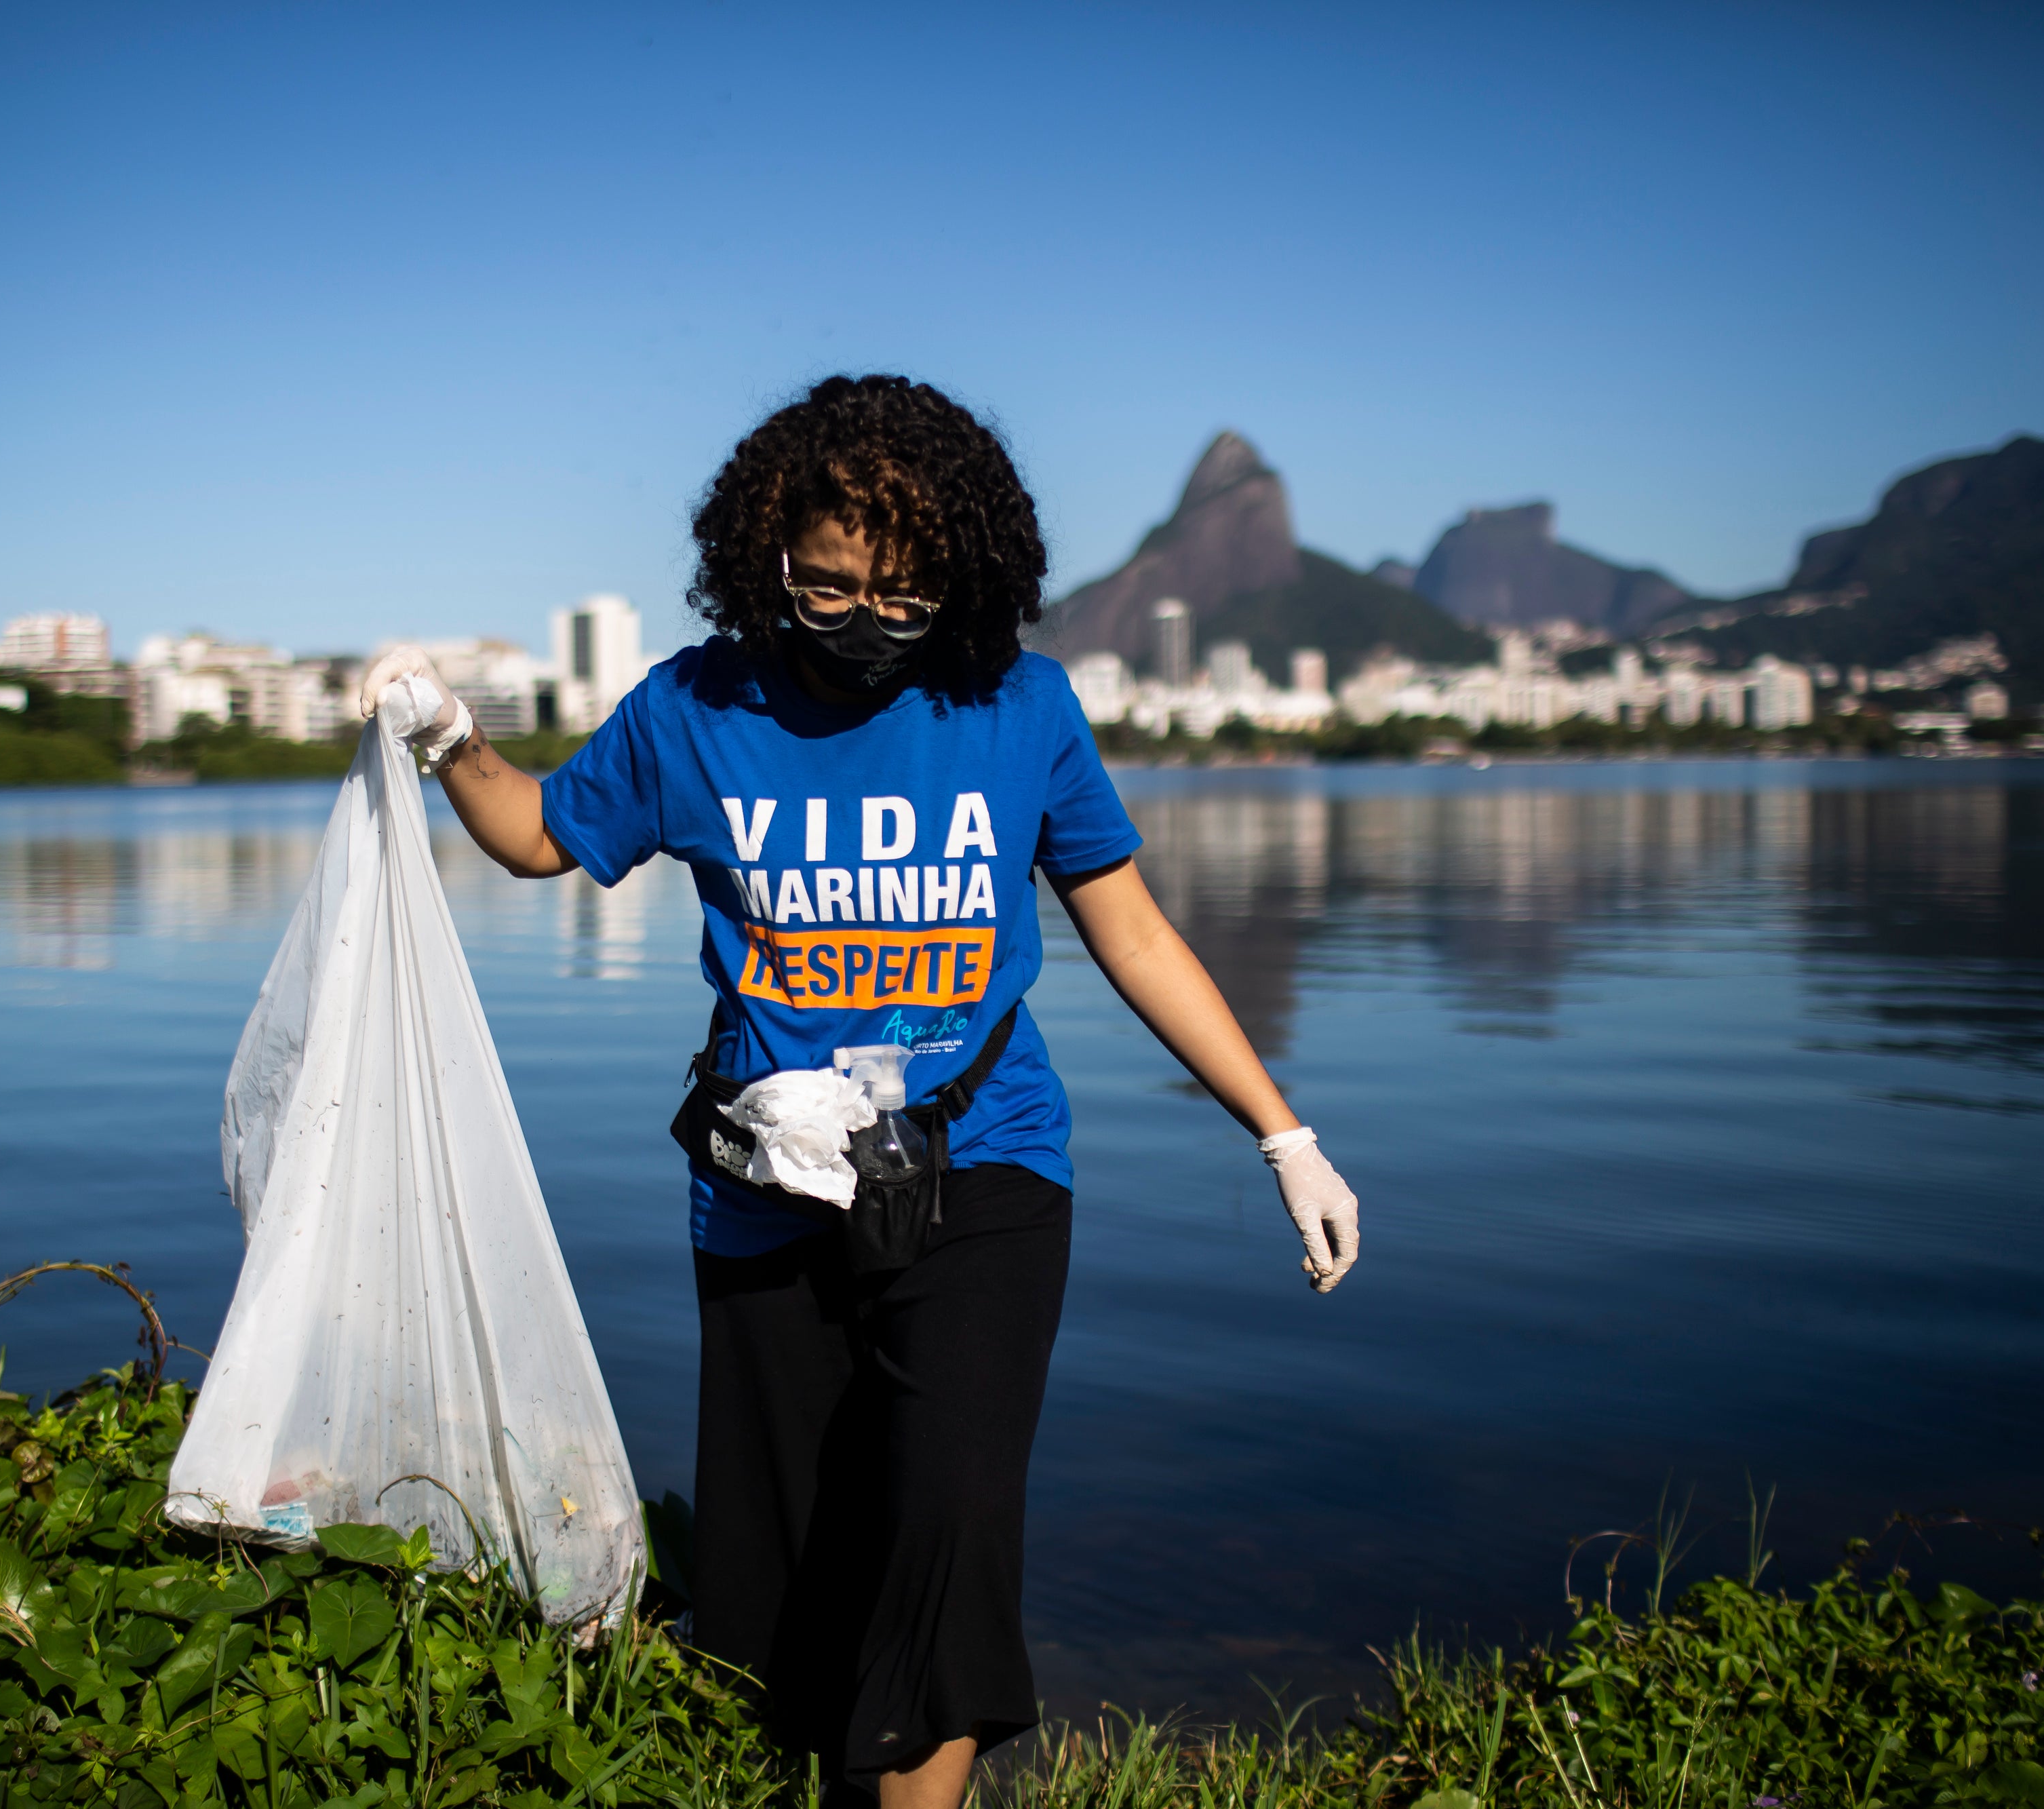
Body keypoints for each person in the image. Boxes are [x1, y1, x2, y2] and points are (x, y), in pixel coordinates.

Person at [358, 374, 1360, 1808]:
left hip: (986, 1160)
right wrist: (452, 735)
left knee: (941, 1523)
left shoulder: (1016, 705)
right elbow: (535, 839)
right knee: (798, 1572)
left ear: (962, 573)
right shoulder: (694, 708)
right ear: (765, 553)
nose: (862, 625)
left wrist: (1284, 1133)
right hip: (768, 1189)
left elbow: (1129, 928)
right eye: (824, 591)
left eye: (902, 595)